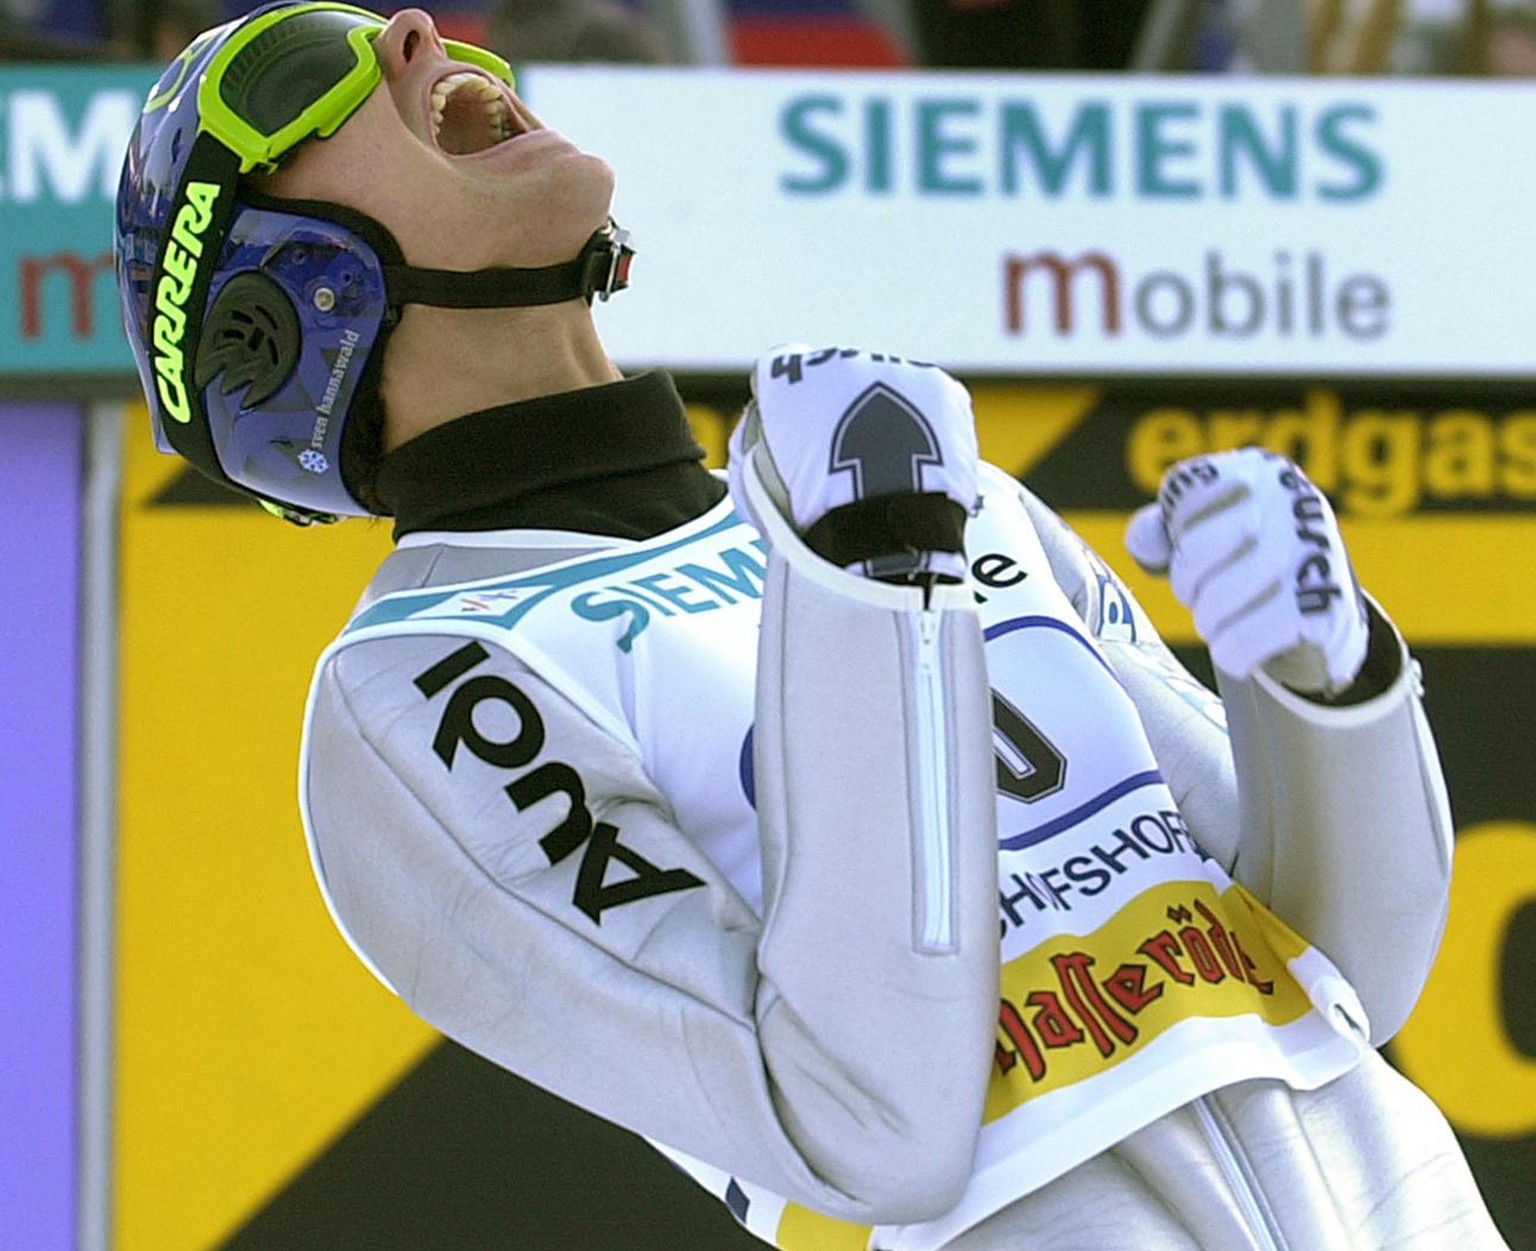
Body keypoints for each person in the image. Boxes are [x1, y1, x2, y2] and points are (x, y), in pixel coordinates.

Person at [113, 4, 1511, 1247]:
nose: (417, 31)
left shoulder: (896, 494)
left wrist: (1327, 683)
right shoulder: (420, 690)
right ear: (277, 306)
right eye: (301, 70)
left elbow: (1344, 979)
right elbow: (866, 1132)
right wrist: (877, 586)